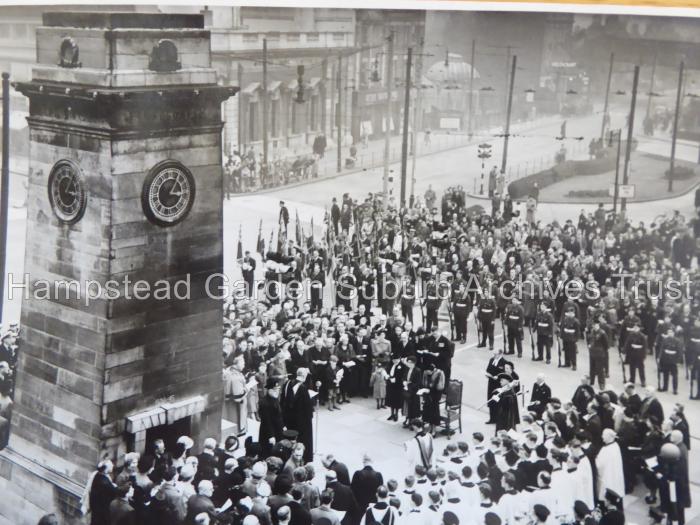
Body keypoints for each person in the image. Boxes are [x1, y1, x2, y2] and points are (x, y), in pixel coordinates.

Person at [281, 368, 315, 462]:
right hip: (301, 420)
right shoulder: (303, 388)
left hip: (288, 417)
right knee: (302, 439)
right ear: (304, 376)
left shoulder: (287, 384)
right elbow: (308, 407)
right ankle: (304, 457)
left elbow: (283, 400)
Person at [259, 378, 285, 456]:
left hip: (277, 430)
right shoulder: (264, 403)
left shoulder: (275, 398)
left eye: (278, 389)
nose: (278, 391)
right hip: (269, 432)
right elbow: (267, 421)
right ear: (269, 390)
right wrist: (271, 436)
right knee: (268, 451)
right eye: (276, 389)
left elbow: (278, 415)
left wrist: (283, 426)